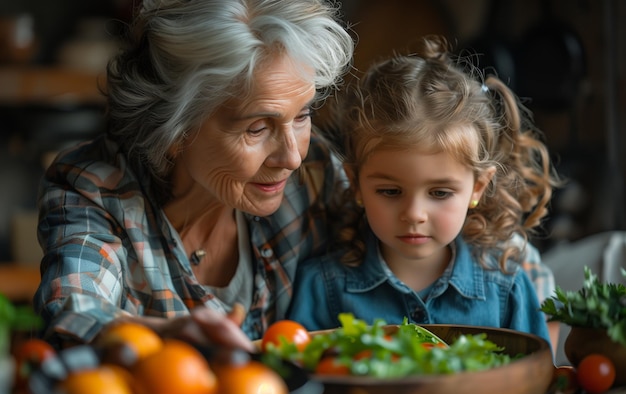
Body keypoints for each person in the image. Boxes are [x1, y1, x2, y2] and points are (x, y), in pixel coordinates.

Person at [33, 0, 354, 350]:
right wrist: (161, 336)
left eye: (301, 116)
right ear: (175, 131)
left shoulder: (315, 170)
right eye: (258, 128)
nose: (292, 156)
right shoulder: (95, 190)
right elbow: (73, 312)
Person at [287, 35, 560, 345]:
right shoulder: (322, 287)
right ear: (356, 183)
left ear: (478, 187)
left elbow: (534, 381)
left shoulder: (508, 287)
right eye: (390, 191)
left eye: (440, 193)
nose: (414, 215)